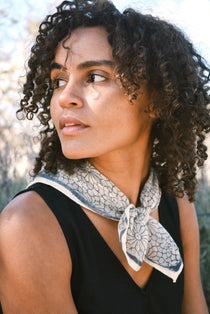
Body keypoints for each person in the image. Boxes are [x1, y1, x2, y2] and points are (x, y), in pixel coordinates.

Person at [0, 0, 209, 313]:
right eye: (59, 80)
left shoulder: (177, 204)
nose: (65, 98)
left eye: (95, 76)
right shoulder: (28, 225)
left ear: (156, 99)